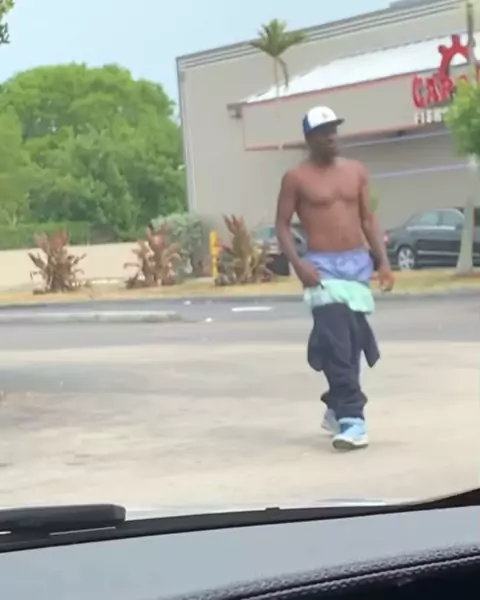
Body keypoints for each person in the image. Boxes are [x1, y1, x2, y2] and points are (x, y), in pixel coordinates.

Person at [275, 105, 394, 451]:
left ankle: (334, 405)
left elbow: (367, 219)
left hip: (356, 265)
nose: (331, 137)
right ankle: (353, 419)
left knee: (351, 341)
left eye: (334, 130)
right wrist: (299, 264)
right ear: (309, 138)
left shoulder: (355, 171)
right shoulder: (296, 178)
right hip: (321, 268)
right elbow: (282, 225)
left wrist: (383, 262)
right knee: (338, 340)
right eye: (324, 132)